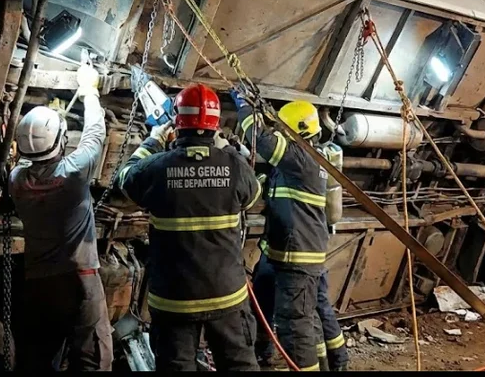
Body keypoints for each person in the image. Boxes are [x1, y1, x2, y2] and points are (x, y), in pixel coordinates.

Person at [115, 83, 261, 371]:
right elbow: (252, 195)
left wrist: (153, 141)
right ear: (215, 125)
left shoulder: (156, 168)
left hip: (175, 299)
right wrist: (225, 149)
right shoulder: (234, 166)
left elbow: (125, 178)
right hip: (227, 293)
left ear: (176, 124)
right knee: (239, 364)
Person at [10, 64, 112, 371]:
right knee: (93, 357)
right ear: (61, 139)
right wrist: (90, 91)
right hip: (80, 279)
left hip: (39, 282)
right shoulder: (73, 175)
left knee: (39, 357)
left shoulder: (16, 179)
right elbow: (95, 134)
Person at [232, 92, 330, 371]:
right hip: (281, 252)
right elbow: (272, 187)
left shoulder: (301, 157)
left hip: (296, 256)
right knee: (266, 306)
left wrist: (244, 107)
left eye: (282, 129)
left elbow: (262, 140)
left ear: (297, 130)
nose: (279, 133)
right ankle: (263, 353)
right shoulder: (301, 160)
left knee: (295, 326)